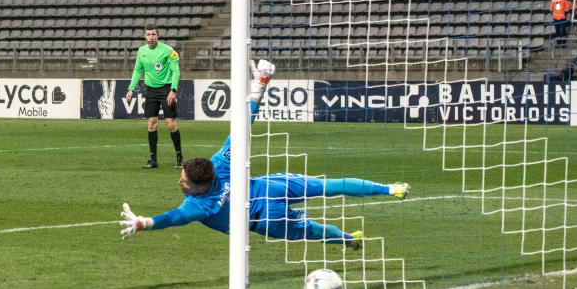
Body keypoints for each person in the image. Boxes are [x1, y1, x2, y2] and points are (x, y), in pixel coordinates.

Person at [119, 60, 408, 247]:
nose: (180, 182)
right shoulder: (220, 162)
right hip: (270, 186)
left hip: (266, 219)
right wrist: (261, 84)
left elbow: (172, 219)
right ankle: (389, 189)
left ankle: (347, 240)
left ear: (200, 186)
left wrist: (144, 223)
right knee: (328, 185)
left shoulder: (199, 206)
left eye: (184, 182)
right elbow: (245, 123)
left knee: (315, 231)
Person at [125, 24, 183, 169]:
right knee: (151, 123)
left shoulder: (168, 51)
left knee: (171, 124)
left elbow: (176, 71)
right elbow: (137, 71)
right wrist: (131, 88)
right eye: (148, 34)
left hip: (166, 89)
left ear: (158, 35)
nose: (151, 37)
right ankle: (153, 160)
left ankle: (179, 156)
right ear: (145, 36)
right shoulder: (141, 51)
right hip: (151, 90)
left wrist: (173, 90)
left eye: (153, 34)